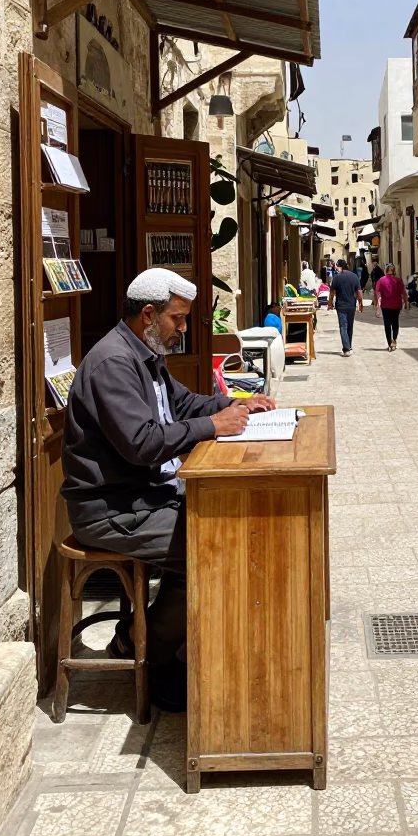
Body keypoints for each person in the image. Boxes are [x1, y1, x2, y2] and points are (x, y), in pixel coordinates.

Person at [62, 268, 275, 710]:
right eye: (177, 319)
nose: (183, 329)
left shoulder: (146, 355)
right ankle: (152, 655)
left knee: (226, 528)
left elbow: (183, 403)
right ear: (148, 315)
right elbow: (142, 443)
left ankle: (158, 640)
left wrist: (236, 404)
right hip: (113, 510)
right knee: (211, 548)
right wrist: (213, 426)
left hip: (147, 497)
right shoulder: (113, 364)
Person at [327, 258, 363, 355]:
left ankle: (346, 348)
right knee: (350, 327)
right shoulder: (354, 276)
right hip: (351, 305)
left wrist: (330, 303)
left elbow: (332, 292)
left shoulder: (337, 277)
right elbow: (359, 292)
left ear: (340, 267)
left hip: (341, 305)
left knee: (343, 326)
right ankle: (349, 346)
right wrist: (360, 303)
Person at [374, 263, 409, 351]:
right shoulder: (398, 280)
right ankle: (394, 340)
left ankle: (390, 343)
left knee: (387, 324)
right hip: (396, 305)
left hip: (385, 305)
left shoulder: (381, 280)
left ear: (386, 270)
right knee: (395, 322)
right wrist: (406, 302)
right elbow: (403, 292)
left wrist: (377, 304)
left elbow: (378, 292)